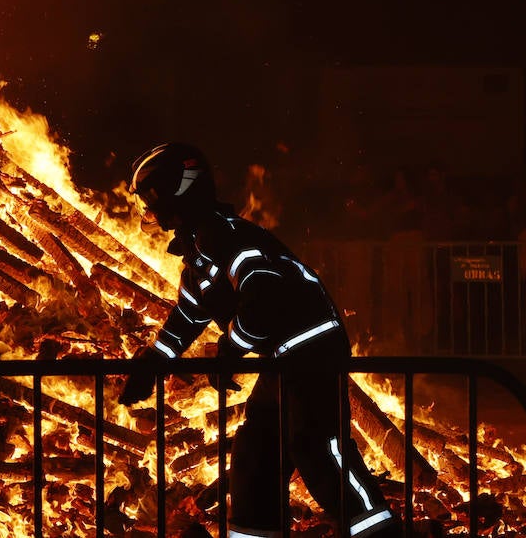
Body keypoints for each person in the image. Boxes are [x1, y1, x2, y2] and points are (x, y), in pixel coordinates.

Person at [116, 143, 398, 538]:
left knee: (316, 449)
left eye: (151, 200)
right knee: (254, 456)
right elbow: (188, 316)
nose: (147, 211)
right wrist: (153, 364)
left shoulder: (228, 239)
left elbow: (262, 297)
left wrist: (230, 350)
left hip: (312, 352)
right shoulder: (200, 254)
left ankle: (379, 533)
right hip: (280, 363)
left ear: (177, 191)